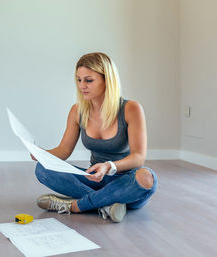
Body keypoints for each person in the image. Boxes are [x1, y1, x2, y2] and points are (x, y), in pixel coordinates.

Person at [34, 52, 157, 222]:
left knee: (147, 177)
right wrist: (42, 154)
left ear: (107, 80)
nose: (82, 85)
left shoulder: (131, 108)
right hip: (93, 179)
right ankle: (106, 204)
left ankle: (75, 206)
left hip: (125, 182)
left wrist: (109, 166)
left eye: (89, 80)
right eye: (79, 79)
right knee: (42, 168)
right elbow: (64, 150)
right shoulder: (77, 111)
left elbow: (138, 157)